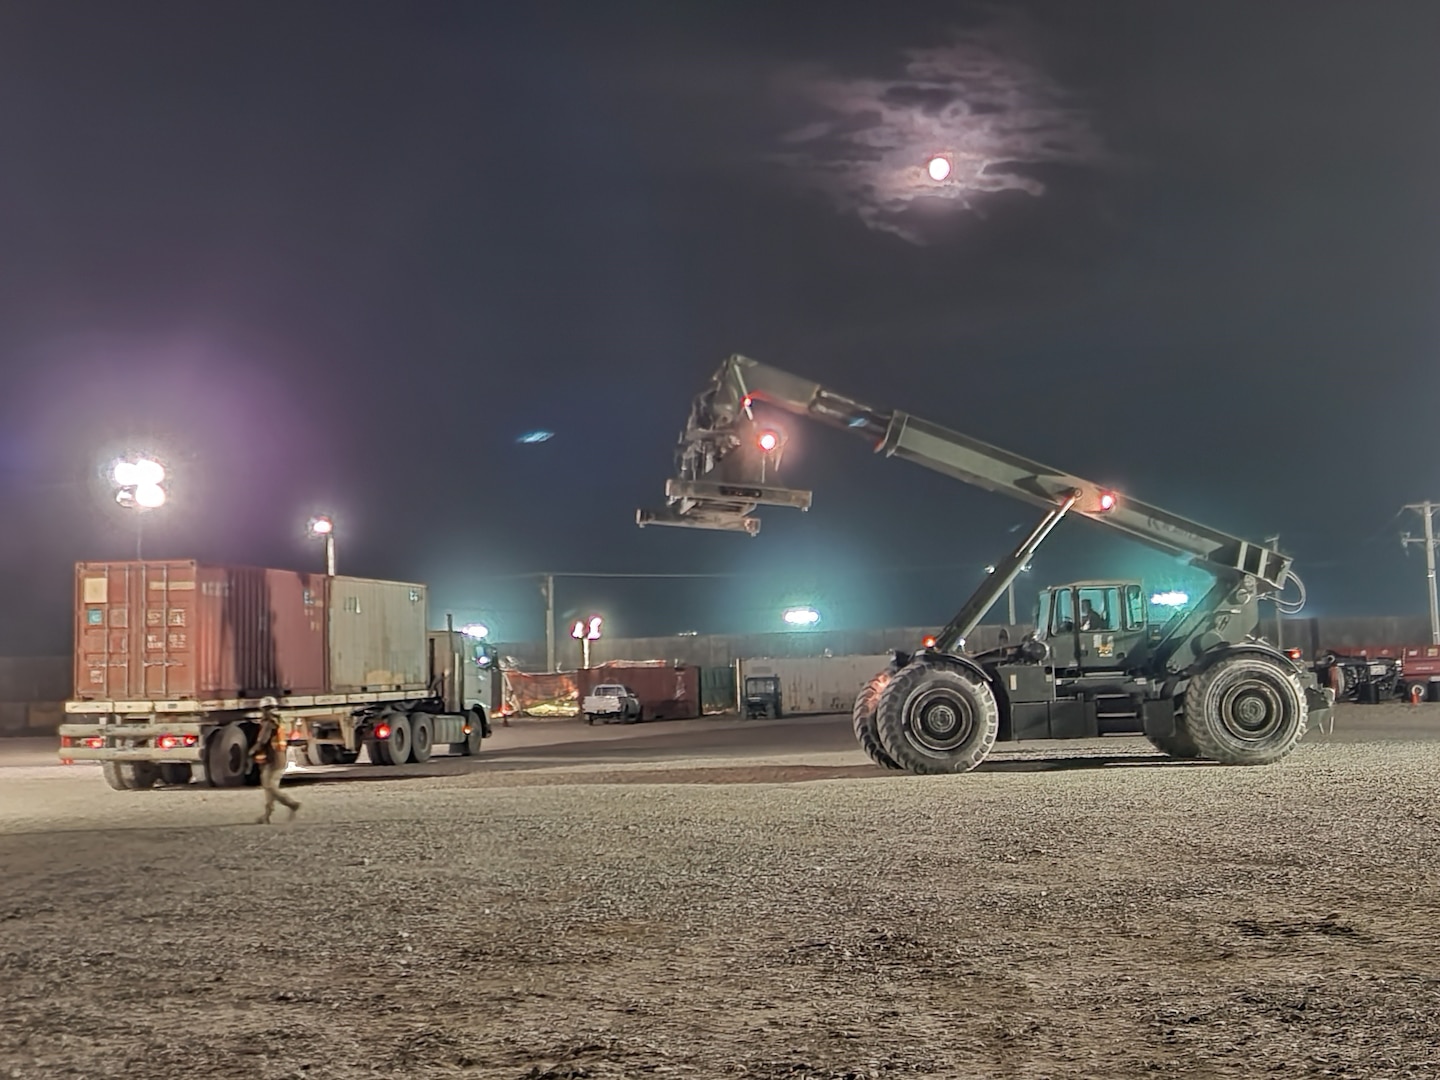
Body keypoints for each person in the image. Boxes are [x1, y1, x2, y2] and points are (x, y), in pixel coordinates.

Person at [253, 697, 300, 824]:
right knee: (270, 787)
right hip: (279, 758)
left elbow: (262, 740)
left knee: (269, 786)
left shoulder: (269, 723)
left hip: (272, 759)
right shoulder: (278, 721)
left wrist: (251, 751)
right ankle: (267, 816)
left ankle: (291, 804)